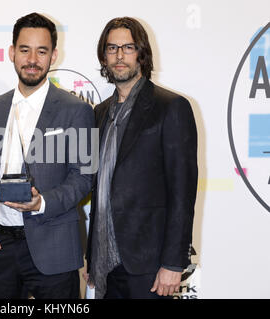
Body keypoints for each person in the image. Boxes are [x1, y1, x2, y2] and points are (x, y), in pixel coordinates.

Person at [0, 12, 94, 299]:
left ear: (54, 56)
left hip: (54, 246)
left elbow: (85, 177)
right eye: (25, 50)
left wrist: (43, 202)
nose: (32, 59)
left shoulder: (77, 110)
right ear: (11, 53)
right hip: (2, 247)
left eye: (41, 51)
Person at [86, 17, 198, 299]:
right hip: (105, 264)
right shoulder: (99, 113)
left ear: (142, 53)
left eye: (128, 47)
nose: (119, 56)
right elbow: (98, 189)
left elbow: (182, 193)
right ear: (104, 55)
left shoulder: (170, 107)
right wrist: (92, 254)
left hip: (148, 265)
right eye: (112, 48)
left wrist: (173, 263)